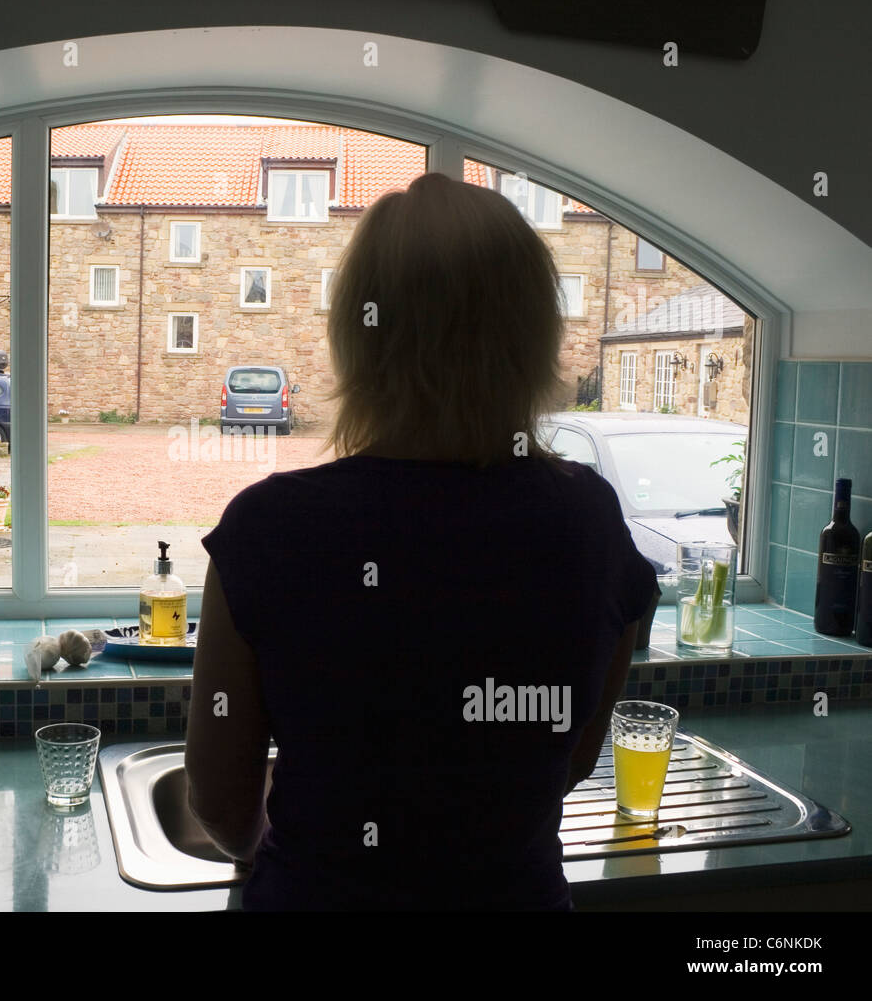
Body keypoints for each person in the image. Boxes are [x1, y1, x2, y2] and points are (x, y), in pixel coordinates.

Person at [184, 170, 658, 911]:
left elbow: (219, 803)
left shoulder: (267, 529)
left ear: (358, 333)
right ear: (533, 335)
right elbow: (568, 758)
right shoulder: (592, 523)